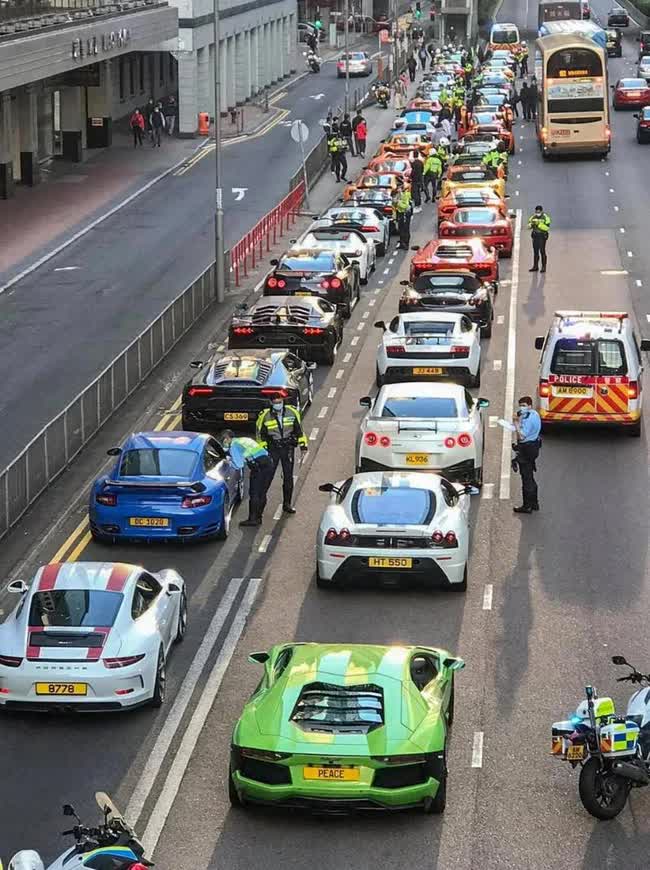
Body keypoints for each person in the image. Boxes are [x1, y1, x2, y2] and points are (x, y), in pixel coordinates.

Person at [256, 395, 308, 514]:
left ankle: (287, 504)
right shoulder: (265, 415)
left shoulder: (292, 412)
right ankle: (259, 508)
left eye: (280, 402)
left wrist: (303, 446)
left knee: (288, 478)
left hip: (287, 448)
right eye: (275, 402)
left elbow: (299, 431)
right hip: (273, 449)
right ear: (271, 403)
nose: (278, 404)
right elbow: (260, 435)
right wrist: (264, 451)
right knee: (267, 477)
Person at [220, 430, 273, 527]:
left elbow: (238, 464)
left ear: (227, 438)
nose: (224, 444)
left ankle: (252, 519)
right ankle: (259, 517)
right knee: (262, 492)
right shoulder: (244, 440)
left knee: (254, 493)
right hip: (268, 462)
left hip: (258, 467)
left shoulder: (234, 445)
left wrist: (228, 461)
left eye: (224, 441)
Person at [512, 396, 542, 514]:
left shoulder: (529, 419)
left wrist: (515, 424)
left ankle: (527, 505)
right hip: (533, 447)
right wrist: (519, 420)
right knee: (530, 475)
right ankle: (534, 503)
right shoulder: (534, 414)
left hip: (527, 449)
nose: (521, 408)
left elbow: (521, 436)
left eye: (524, 405)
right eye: (520, 405)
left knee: (526, 478)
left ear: (530, 406)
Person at [528, 205, 551, 272]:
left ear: (541, 211)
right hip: (535, 236)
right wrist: (531, 225)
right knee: (535, 252)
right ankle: (535, 266)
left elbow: (547, 228)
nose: (537, 213)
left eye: (539, 211)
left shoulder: (545, 218)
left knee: (542, 251)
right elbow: (528, 225)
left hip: (542, 236)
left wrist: (539, 225)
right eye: (536, 211)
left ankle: (543, 267)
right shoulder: (533, 217)